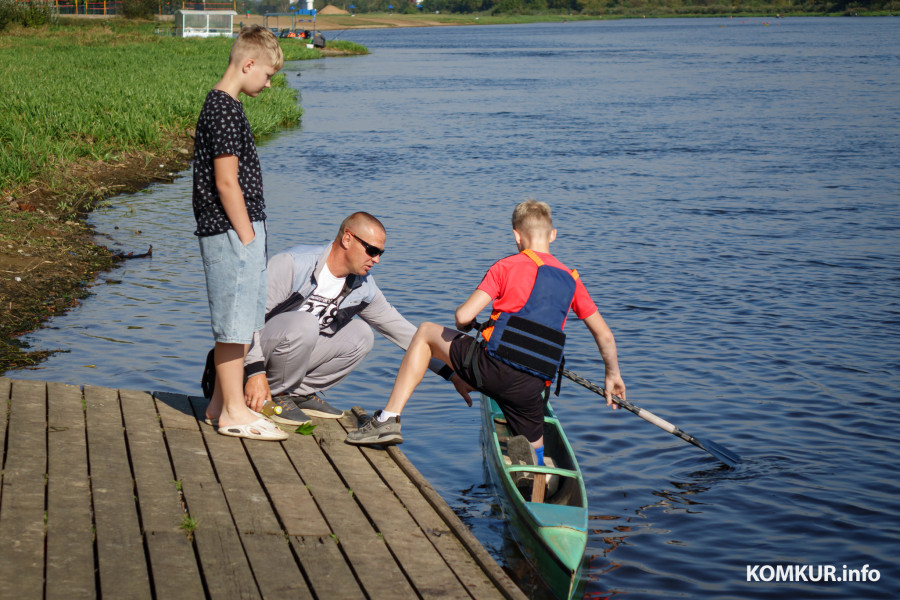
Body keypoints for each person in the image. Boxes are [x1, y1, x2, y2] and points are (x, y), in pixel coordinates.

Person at [346, 200, 626, 467]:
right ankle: (537, 475)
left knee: (426, 332)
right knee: (536, 446)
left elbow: (463, 316)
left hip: (491, 369)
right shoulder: (572, 280)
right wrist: (612, 375)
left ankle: (388, 419)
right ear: (553, 235)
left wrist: (467, 327)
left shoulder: (506, 266)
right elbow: (605, 337)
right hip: (532, 387)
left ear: (517, 236)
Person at [241, 212, 473, 425]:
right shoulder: (293, 264)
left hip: (289, 353)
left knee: (362, 335)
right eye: (372, 250)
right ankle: (272, 393)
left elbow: (407, 335)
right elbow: (245, 317)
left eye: (381, 253)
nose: (377, 260)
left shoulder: (363, 288)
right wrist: (254, 372)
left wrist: (451, 374)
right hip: (252, 355)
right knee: (305, 323)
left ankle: (296, 393)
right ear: (348, 239)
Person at [193, 25, 287, 441]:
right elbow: (226, 181)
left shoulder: (223, 106)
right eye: (266, 75)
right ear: (248, 64)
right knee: (234, 326)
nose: (267, 84)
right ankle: (233, 410)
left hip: (235, 230)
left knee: (242, 322)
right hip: (232, 230)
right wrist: (249, 236)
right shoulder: (225, 109)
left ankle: (217, 406)